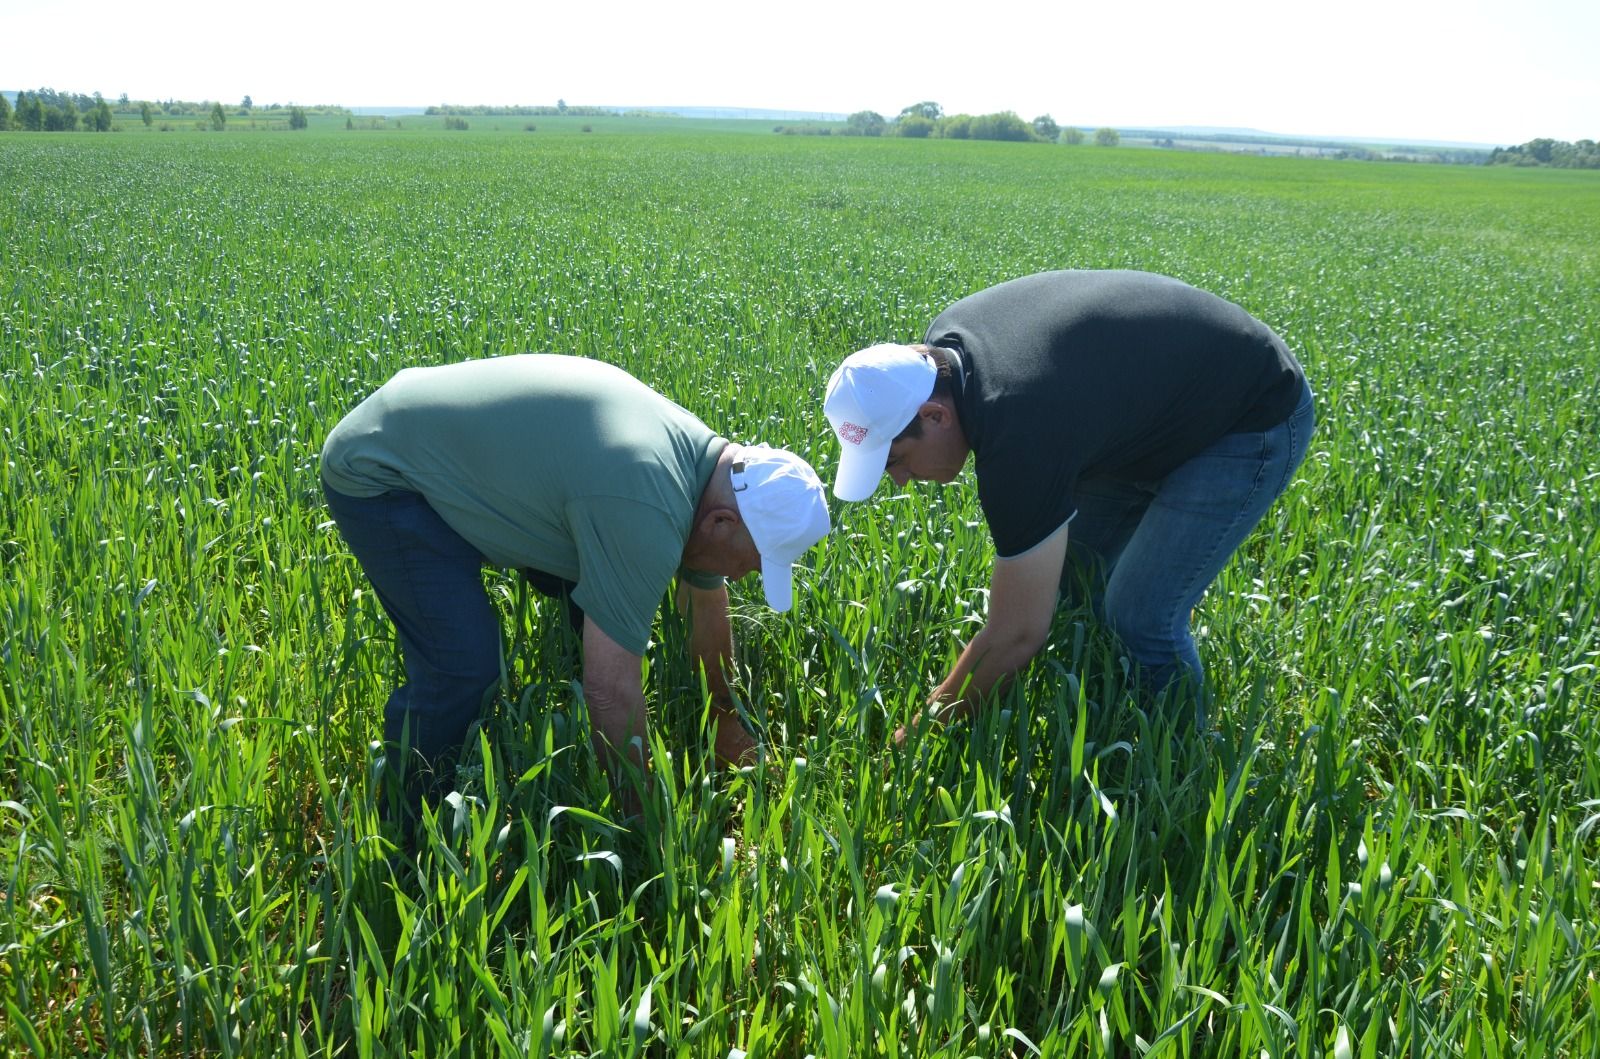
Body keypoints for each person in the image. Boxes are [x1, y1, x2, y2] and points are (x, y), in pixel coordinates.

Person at [322, 354, 830, 818]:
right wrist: (646, 827)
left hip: (462, 453)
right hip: (384, 472)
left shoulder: (710, 473)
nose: (742, 577)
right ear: (721, 524)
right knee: (463, 666)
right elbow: (610, 694)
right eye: (753, 564)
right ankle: (407, 821)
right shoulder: (646, 507)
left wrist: (723, 719)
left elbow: (706, 600)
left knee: (610, 596)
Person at [824, 269, 1314, 739]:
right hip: (1147, 417)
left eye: (897, 461)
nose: (902, 482)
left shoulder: (1017, 429)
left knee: (1139, 615)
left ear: (934, 416)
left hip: (1248, 413)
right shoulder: (941, 357)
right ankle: (1104, 701)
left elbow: (1017, 634)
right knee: (1077, 578)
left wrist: (922, 731)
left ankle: (1183, 756)